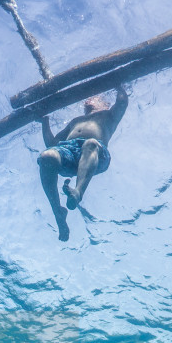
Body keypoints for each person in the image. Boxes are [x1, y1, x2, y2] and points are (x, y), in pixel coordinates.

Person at [37, 85, 129, 241]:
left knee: (90, 143)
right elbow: (52, 143)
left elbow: (122, 103)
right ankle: (57, 211)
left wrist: (118, 85)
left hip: (96, 153)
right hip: (68, 151)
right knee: (47, 156)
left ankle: (78, 192)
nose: (90, 99)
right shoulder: (75, 121)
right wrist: (44, 121)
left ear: (105, 104)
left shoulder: (109, 116)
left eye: (96, 98)